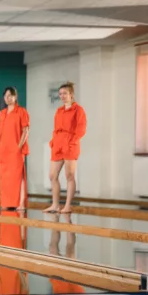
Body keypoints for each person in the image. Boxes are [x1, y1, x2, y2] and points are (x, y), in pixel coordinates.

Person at [45, 82, 87, 214]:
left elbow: (81, 129)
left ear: (71, 94)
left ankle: (68, 205)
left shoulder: (78, 110)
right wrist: (53, 142)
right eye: (60, 94)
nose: (62, 96)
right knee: (52, 175)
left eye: (65, 93)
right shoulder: (59, 111)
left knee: (69, 175)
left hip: (70, 144)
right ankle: (55, 205)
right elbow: (56, 128)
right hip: (58, 144)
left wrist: (72, 142)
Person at [0, 87, 30, 211]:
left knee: (18, 176)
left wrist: (19, 147)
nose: (8, 98)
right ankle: (6, 202)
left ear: (15, 97)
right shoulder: (2, 113)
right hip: (3, 149)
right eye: (5, 96)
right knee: (5, 177)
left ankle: (20, 203)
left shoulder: (22, 111)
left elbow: (25, 130)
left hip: (16, 149)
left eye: (10, 96)